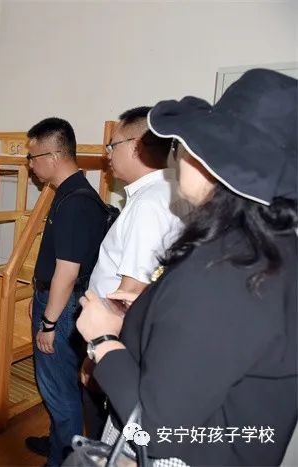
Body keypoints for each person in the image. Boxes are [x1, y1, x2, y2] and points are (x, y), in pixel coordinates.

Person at [77, 69, 297, 465]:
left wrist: (102, 341)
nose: (178, 158)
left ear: (216, 163)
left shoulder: (225, 273)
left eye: (188, 148)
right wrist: (148, 312)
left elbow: (154, 435)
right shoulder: (268, 250)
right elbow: (214, 345)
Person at [81, 107, 189, 439]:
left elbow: (130, 292)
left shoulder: (148, 205)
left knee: (106, 433)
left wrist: (99, 351)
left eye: (112, 145)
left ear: (135, 146)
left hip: (117, 338)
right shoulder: (169, 191)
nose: (107, 154)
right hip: (139, 339)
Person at [23, 117, 109, 465]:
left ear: (54, 156)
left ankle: (63, 459)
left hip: (61, 310)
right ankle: (58, 443)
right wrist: (39, 298)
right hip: (55, 302)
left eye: (33, 157)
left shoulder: (76, 201)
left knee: (59, 392)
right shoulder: (69, 193)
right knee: (61, 387)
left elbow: (68, 272)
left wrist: (48, 322)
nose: (30, 165)